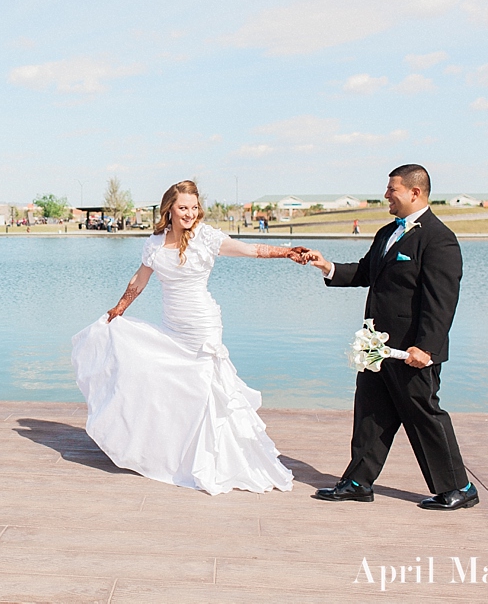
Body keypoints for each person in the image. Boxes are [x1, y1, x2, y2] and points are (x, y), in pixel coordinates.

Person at [71, 180, 309, 495]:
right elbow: (139, 280)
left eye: (194, 207)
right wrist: (120, 307)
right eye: (183, 207)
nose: (189, 213)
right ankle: (172, 454)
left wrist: (286, 252)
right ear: (169, 208)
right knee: (159, 379)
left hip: (203, 325)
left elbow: (251, 249)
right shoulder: (155, 242)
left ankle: (217, 460)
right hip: (172, 326)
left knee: (207, 389)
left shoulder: (207, 237)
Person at [304, 165, 477, 511]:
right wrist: (327, 266)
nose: (386, 195)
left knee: (423, 415)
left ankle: (459, 487)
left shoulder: (439, 238)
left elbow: (441, 300)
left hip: (411, 349)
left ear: (415, 193)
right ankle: (357, 482)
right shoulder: (387, 233)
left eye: (392, 189)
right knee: (370, 412)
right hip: (376, 346)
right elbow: (366, 272)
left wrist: (425, 347)